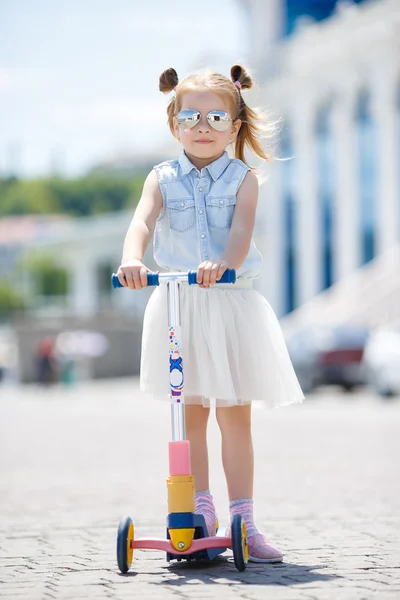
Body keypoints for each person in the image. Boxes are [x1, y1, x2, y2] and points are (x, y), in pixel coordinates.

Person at [117, 65, 304, 563]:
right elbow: (141, 221)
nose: (203, 125)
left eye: (216, 116)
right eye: (191, 115)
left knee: (234, 418)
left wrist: (223, 264)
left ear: (235, 125)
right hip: (178, 307)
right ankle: (199, 511)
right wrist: (132, 259)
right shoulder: (161, 178)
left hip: (228, 305)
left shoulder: (244, 179)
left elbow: (240, 234)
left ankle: (244, 517)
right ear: (174, 123)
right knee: (187, 416)